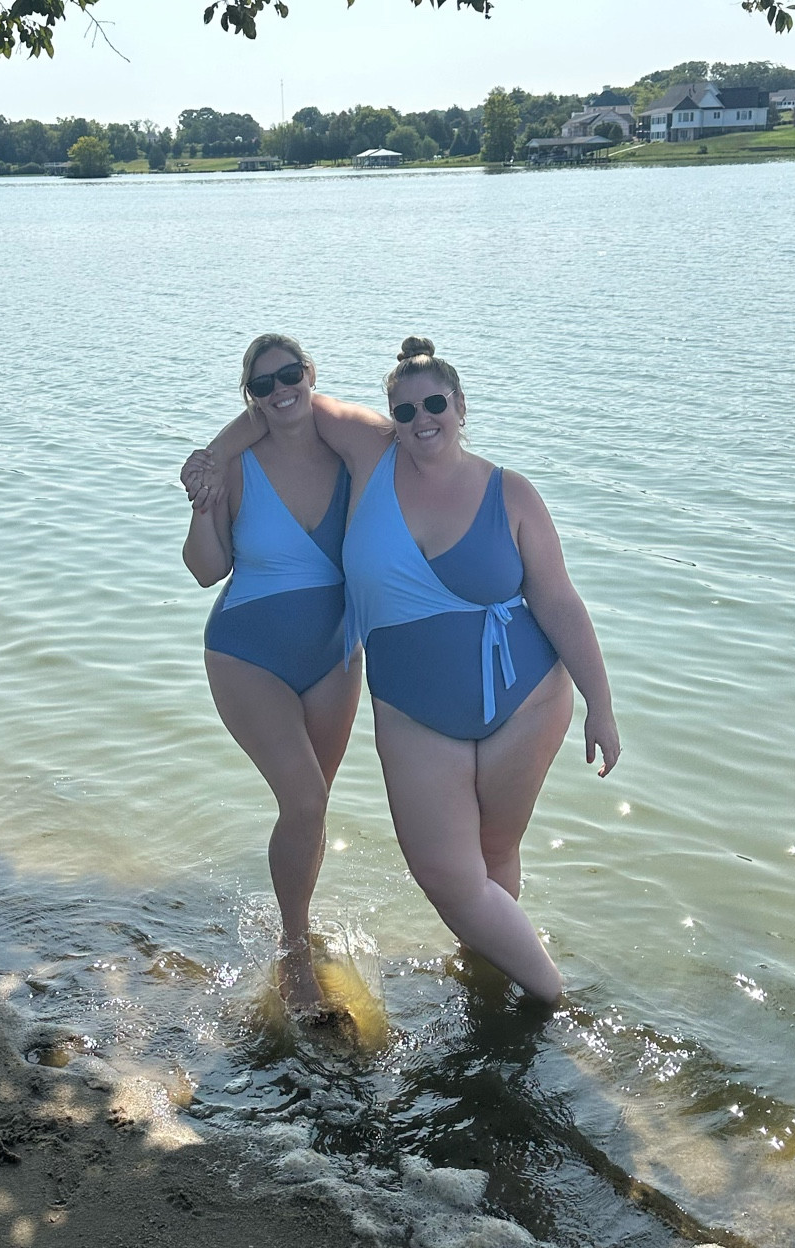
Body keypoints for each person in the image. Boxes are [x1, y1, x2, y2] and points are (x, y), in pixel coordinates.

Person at [184, 335, 619, 1005]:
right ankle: (546, 1000)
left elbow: (558, 599)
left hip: (459, 686)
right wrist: (211, 464)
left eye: (435, 404)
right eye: (406, 410)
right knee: (377, 839)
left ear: (460, 405)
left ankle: (488, 978)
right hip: (342, 687)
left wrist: (601, 705)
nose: (422, 419)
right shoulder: (337, 455)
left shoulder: (481, 484)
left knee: (492, 849)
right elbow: (277, 424)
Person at [181, 333, 362, 1007]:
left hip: (336, 655)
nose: (281, 390)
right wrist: (204, 507)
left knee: (310, 808)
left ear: (310, 373)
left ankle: (299, 928)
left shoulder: (347, 451)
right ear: (250, 397)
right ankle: (294, 955)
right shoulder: (235, 465)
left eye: (290, 374)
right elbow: (206, 570)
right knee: (306, 801)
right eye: (264, 384)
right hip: (247, 654)